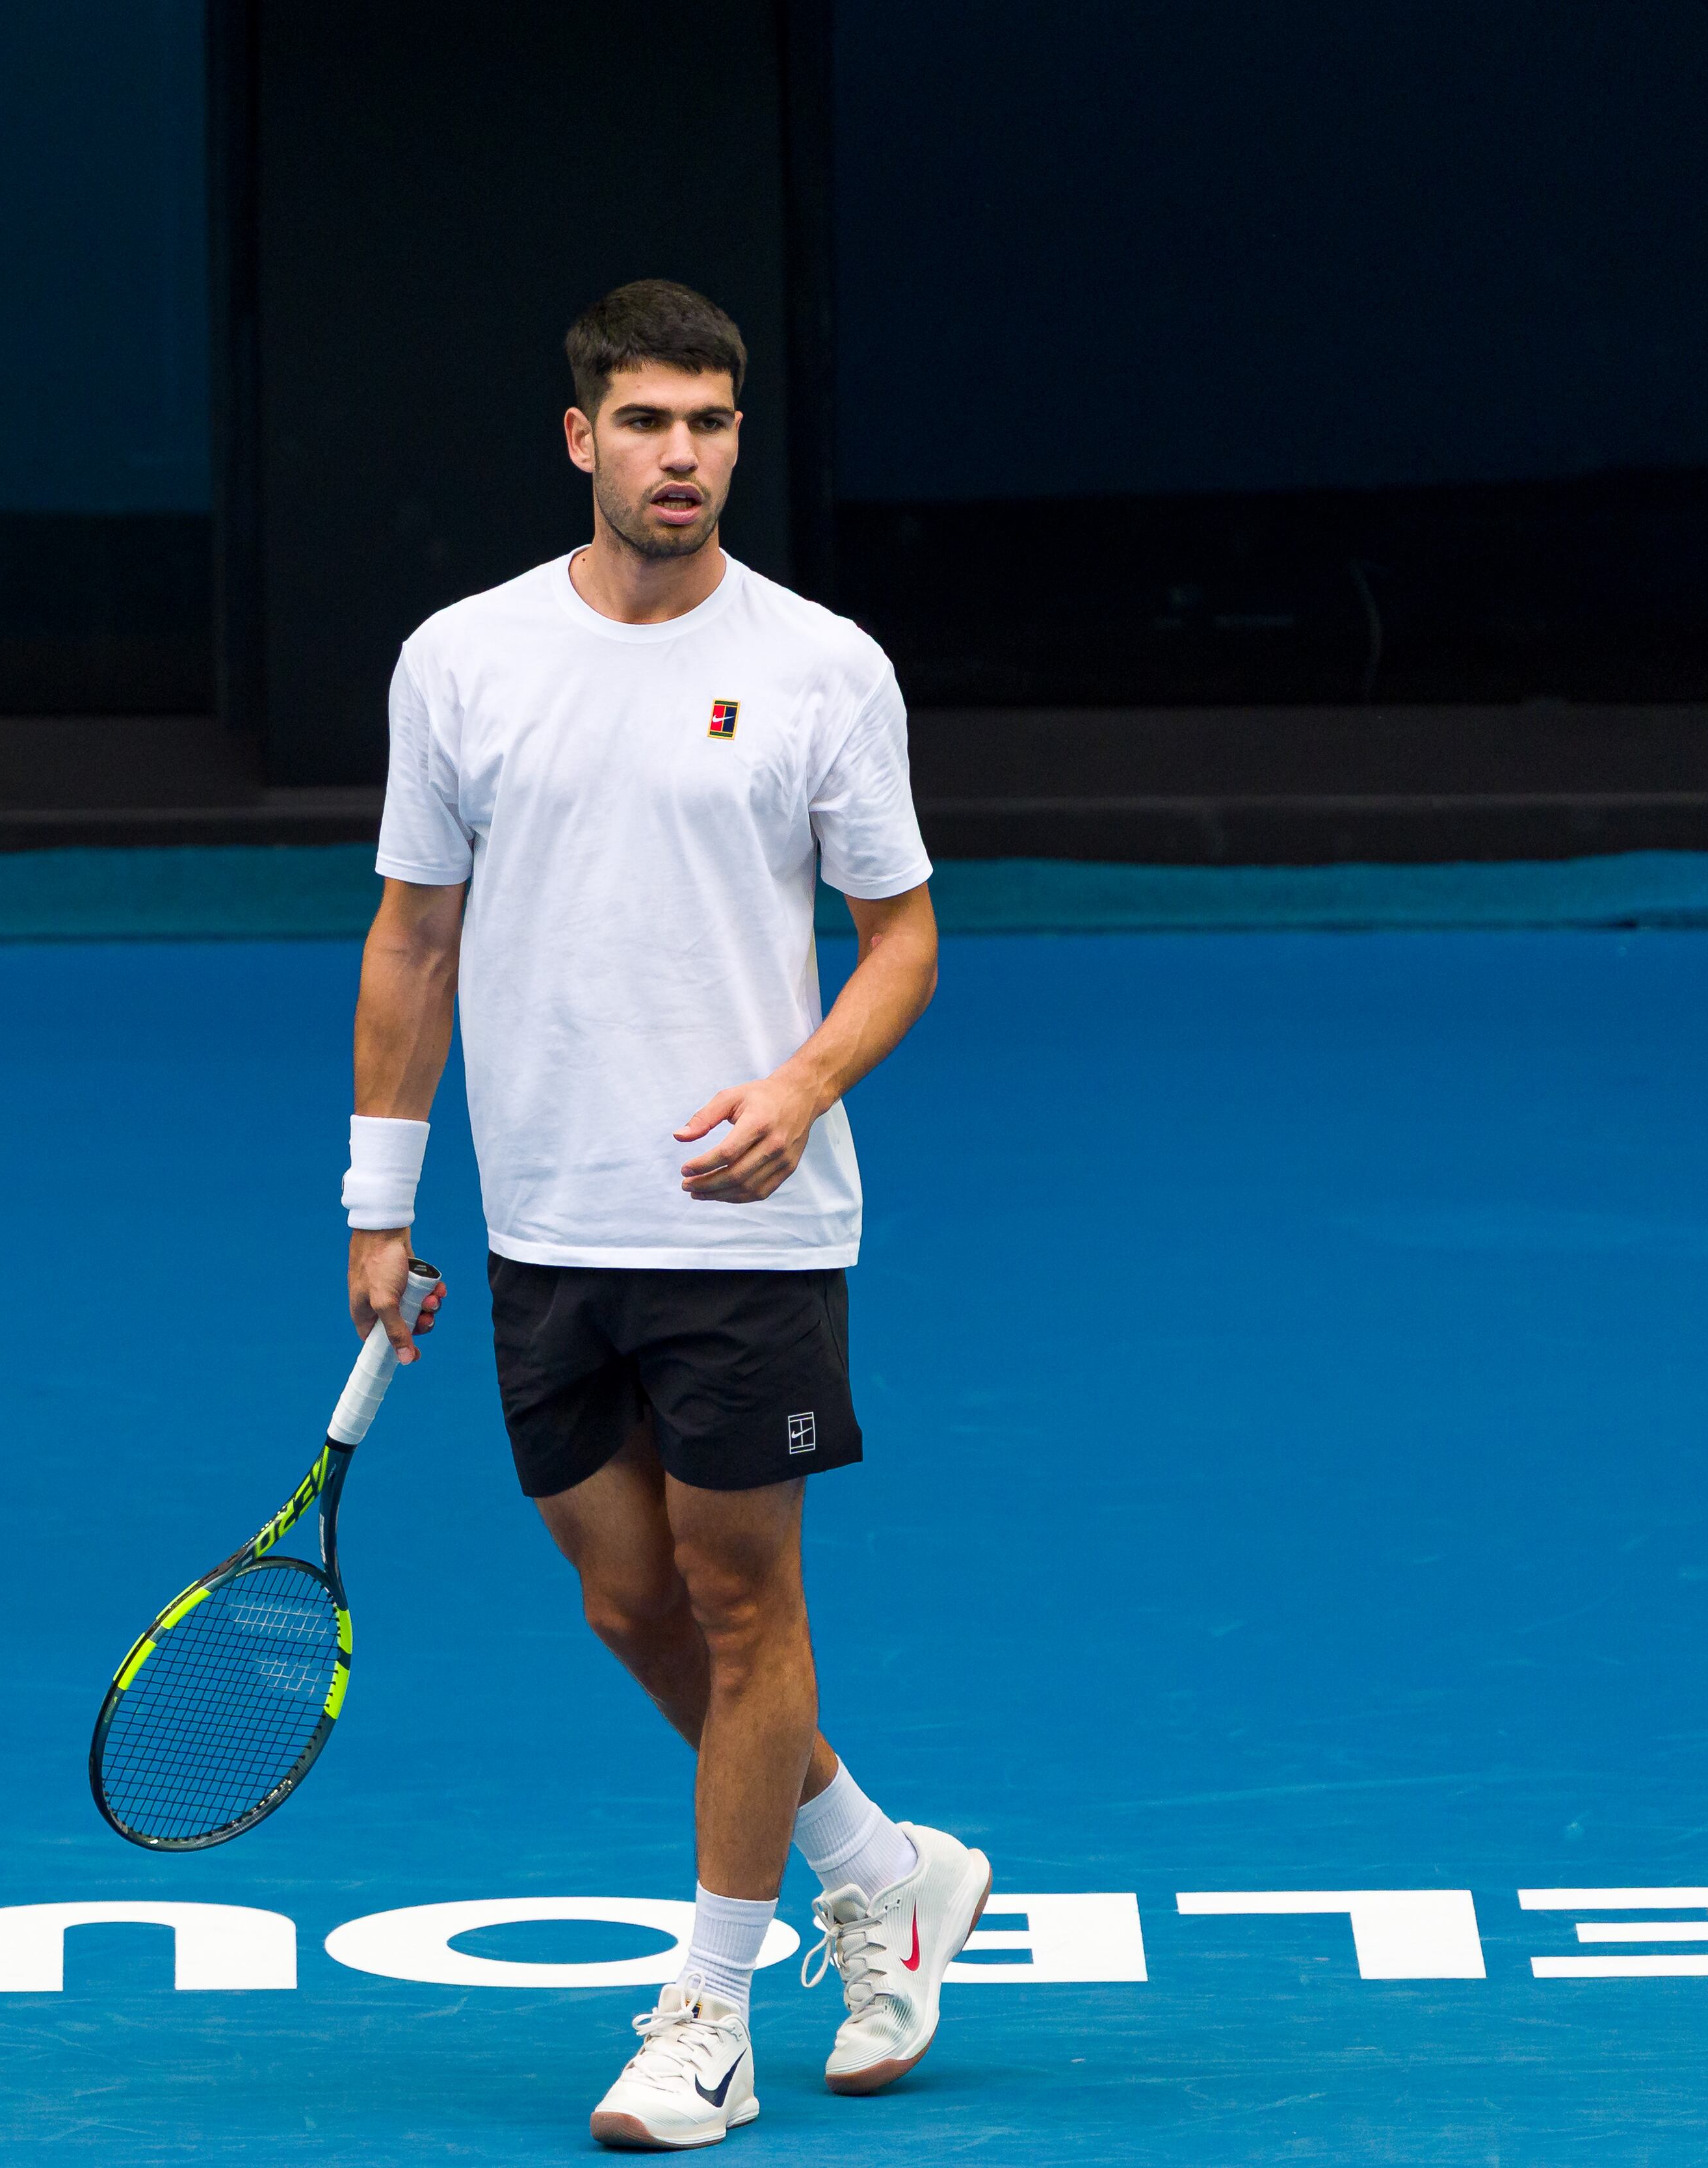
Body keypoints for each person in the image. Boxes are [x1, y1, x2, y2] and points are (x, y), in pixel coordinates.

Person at [343, 280, 988, 2148]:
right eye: (646, 422)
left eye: (710, 424)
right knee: (629, 1595)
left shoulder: (821, 668)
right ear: (581, 439)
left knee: (739, 1586)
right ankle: (879, 1861)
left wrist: (799, 1087)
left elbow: (905, 940)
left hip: (751, 1226)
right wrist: (380, 1200)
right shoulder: (462, 658)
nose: (683, 456)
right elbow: (413, 934)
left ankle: (707, 2004)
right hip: (547, 1216)